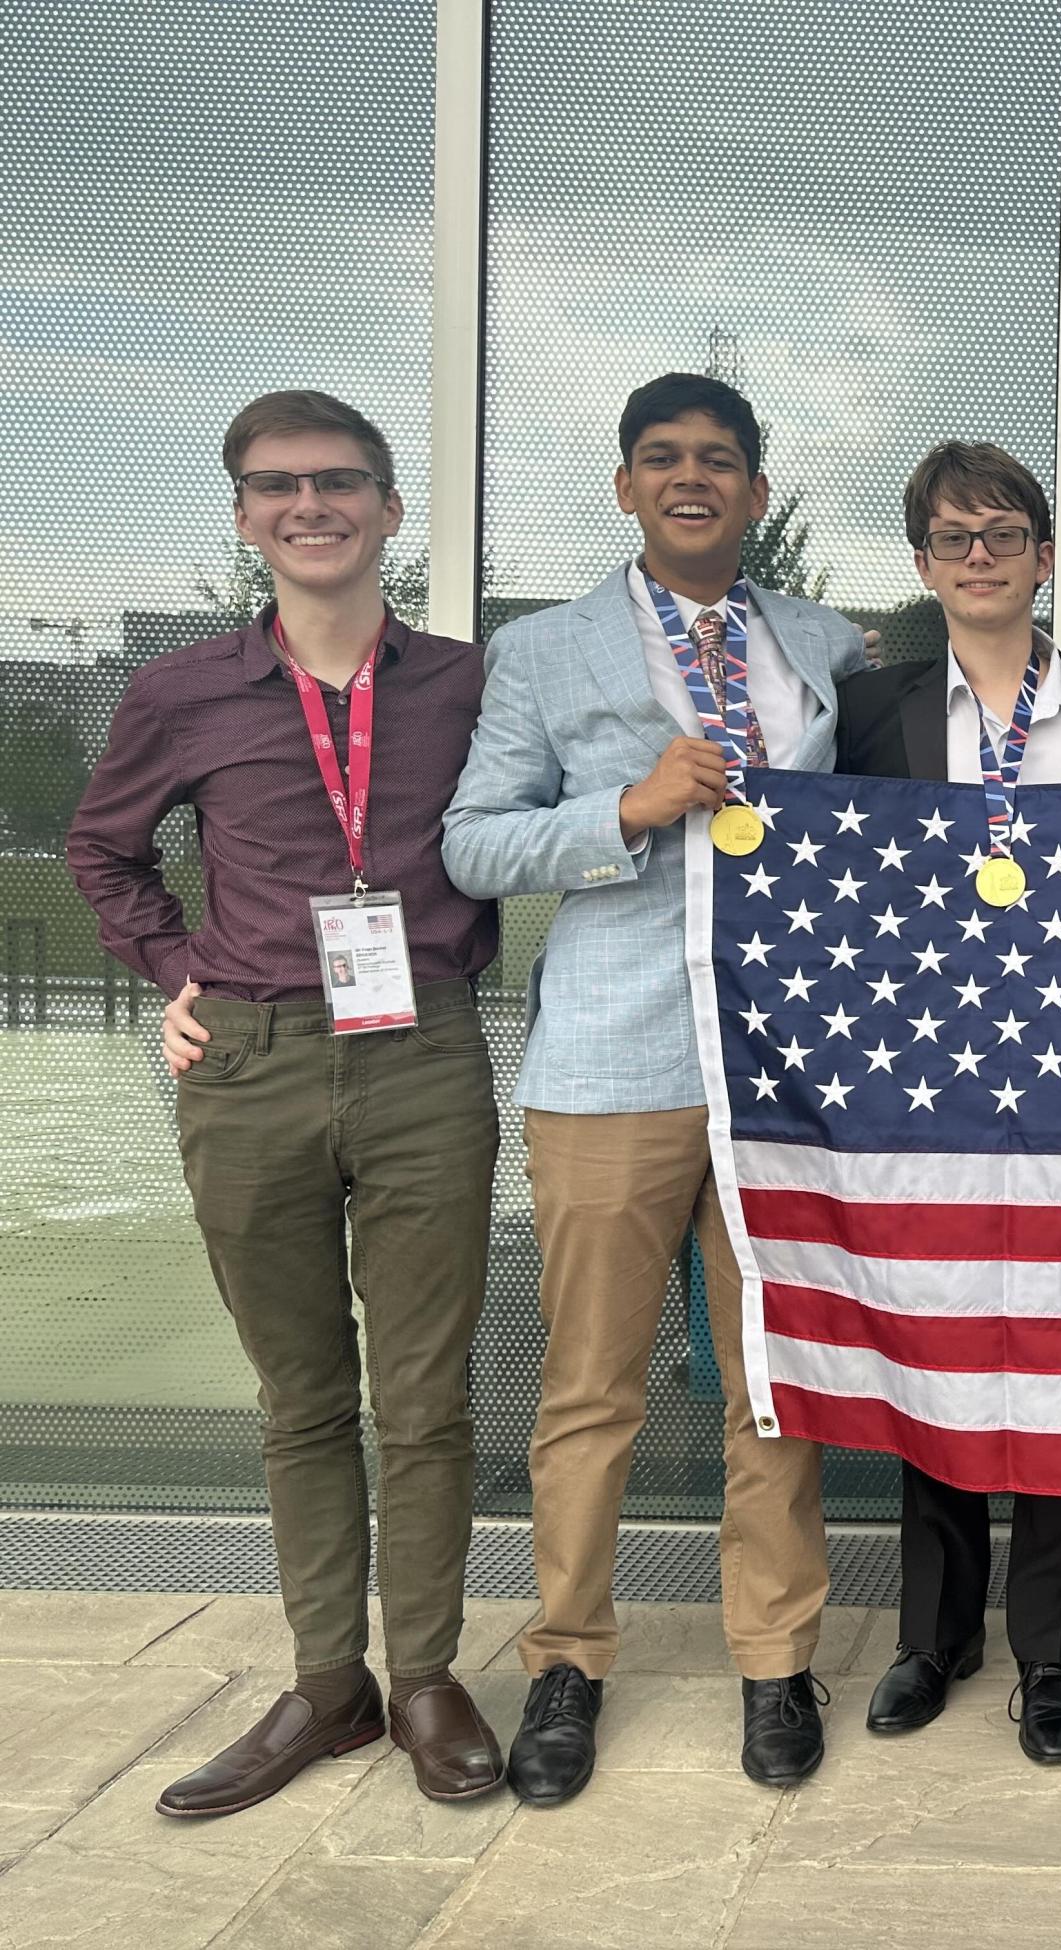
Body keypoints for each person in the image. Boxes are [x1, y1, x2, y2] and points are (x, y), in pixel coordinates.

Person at [67, 390, 505, 1813]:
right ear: (245, 514)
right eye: (275, 486)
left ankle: (428, 1671)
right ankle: (331, 1682)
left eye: (336, 482)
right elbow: (103, 848)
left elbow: (514, 830)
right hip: (248, 1065)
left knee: (426, 1393)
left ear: (388, 508)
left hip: (424, 1056)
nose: (307, 506)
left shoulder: (462, 681)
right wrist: (179, 969)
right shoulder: (181, 691)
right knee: (302, 1395)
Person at [442, 372, 868, 1802]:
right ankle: (567, 1659)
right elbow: (472, 848)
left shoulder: (827, 645)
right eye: (665, 459)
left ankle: (775, 1658)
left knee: (776, 1389)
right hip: (611, 1062)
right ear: (625, 486)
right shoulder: (545, 652)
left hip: (784, 1076)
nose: (695, 479)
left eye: (723, 461)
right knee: (590, 1389)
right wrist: (622, 809)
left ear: (758, 492)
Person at [832, 442, 1061, 1765]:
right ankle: (934, 1631)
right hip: (920, 1078)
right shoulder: (868, 715)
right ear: (921, 563)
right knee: (937, 1351)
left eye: (1003, 533)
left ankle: (1053, 1647)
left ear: (1045, 554)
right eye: (953, 537)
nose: (978, 555)